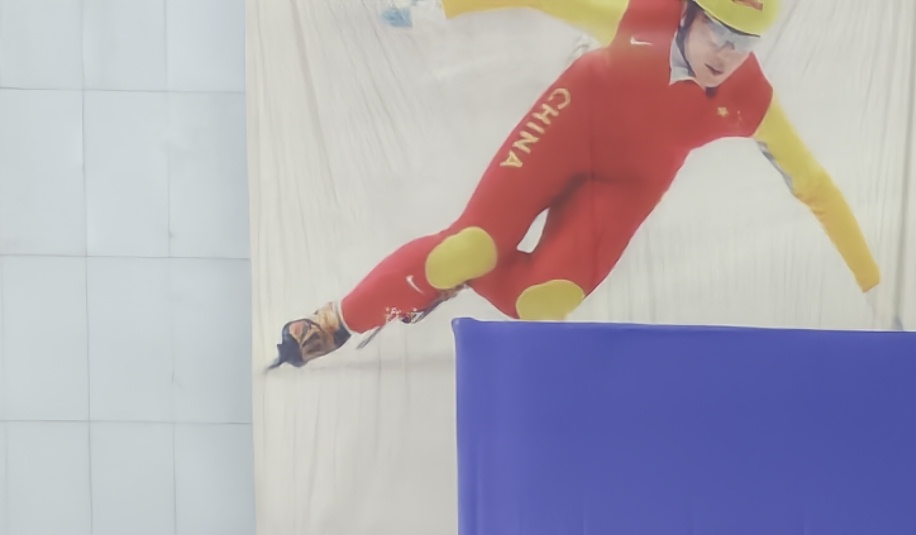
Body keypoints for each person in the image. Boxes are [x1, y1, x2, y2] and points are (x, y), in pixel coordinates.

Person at [273, 0, 879, 367]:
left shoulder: (750, 101)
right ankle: (337, 322)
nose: (726, 53)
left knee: (541, 305)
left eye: (743, 43)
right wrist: (436, 9)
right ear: (688, 13)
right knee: (466, 247)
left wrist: (872, 282)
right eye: (717, 32)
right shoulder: (636, 16)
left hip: (626, 184)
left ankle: (464, 271)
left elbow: (814, 185)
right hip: (568, 125)